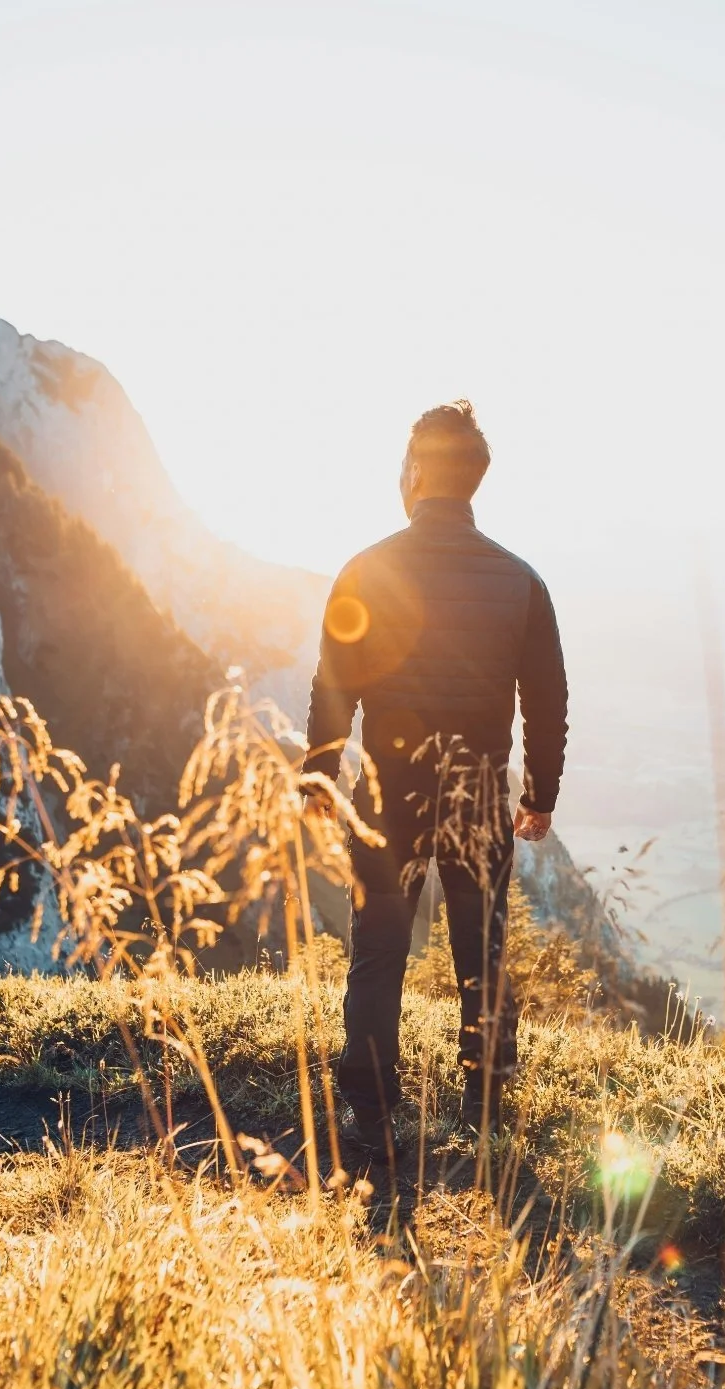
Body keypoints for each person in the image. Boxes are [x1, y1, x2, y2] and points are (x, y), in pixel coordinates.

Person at [301, 401, 568, 1162]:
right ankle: (485, 1099)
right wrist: (539, 794)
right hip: (480, 791)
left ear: (417, 471)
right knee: (480, 946)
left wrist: (319, 779)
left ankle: (372, 1106)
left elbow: (333, 688)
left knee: (380, 947)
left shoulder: (368, 569)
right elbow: (547, 697)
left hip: (388, 795)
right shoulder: (521, 582)